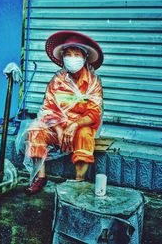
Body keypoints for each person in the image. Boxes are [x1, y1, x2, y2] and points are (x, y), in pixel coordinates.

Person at [20, 30, 104, 195]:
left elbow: (94, 113)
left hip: (79, 127)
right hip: (58, 127)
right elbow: (47, 109)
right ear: (63, 58)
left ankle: (79, 180)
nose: (72, 58)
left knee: (85, 134)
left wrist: (74, 125)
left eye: (76, 54)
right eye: (68, 54)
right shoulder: (57, 80)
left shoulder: (93, 82)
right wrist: (59, 129)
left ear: (85, 57)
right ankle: (40, 176)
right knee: (36, 129)